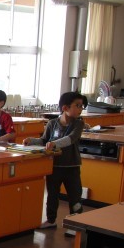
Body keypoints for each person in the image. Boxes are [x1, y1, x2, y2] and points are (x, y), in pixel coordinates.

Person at [23, 91, 87, 234]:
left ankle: (75, 224)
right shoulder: (52, 123)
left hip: (71, 166)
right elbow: (44, 140)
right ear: (65, 107)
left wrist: (54, 143)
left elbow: (71, 139)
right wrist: (31, 140)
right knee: (52, 195)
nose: (80, 109)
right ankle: (51, 220)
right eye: (77, 105)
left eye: (81, 106)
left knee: (75, 196)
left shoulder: (78, 123)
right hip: (54, 166)